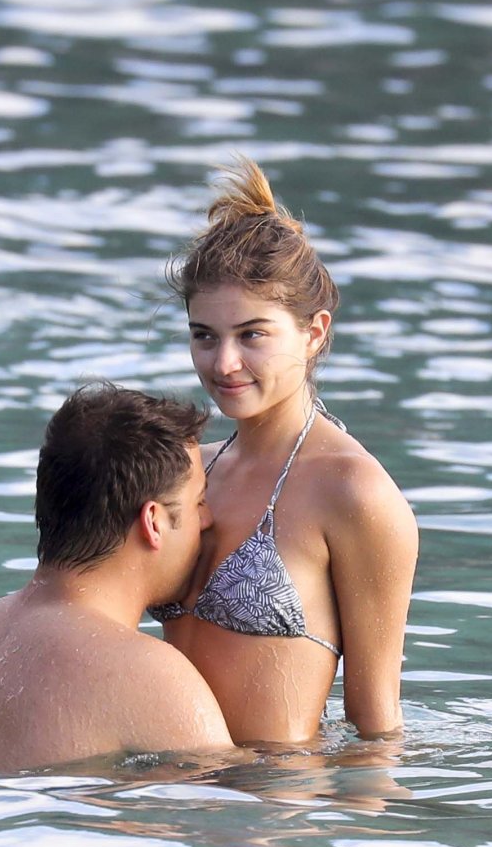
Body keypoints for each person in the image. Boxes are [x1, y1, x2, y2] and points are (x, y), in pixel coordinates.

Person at [152, 158, 419, 745]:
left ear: (314, 332)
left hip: (278, 795)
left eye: (252, 334)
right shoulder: (189, 470)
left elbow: (376, 724)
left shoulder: (353, 492)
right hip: (166, 789)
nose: (224, 363)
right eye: (204, 336)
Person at [0, 383, 235, 771]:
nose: (207, 520)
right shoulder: (147, 675)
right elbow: (229, 800)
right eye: (198, 502)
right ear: (153, 521)